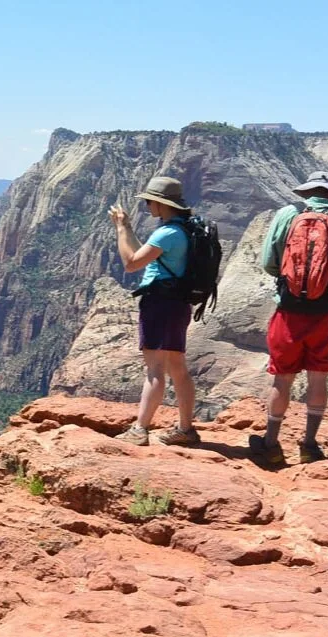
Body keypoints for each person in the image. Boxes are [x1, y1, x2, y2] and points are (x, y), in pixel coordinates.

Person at [250, 171, 328, 464]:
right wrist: (327, 287)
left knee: (282, 379)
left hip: (289, 312)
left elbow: (268, 263)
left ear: (307, 192)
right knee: (318, 379)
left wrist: (294, 285)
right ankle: (309, 445)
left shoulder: (287, 214)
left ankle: (271, 445)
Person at [108, 176, 200, 447]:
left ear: (161, 203)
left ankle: (139, 430)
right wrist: (129, 228)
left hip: (160, 303)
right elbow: (145, 255)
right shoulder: (184, 229)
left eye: (149, 201)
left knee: (155, 368)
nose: (148, 206)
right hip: (178, 302)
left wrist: (121, 229)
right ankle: (185, 429)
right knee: (177, 367)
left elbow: (131, 263)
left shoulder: (167, 233)